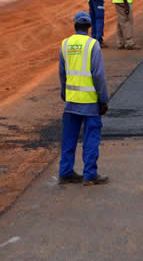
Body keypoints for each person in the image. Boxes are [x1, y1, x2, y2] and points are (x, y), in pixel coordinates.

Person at [58, 11, 109, 185]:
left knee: (69, 138)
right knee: (90, 139)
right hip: (89, 102)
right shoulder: (93, 45)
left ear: (75, 25)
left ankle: (65, 172)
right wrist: (103, 99)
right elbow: (98, 75)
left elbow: (62, 73)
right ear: (89, 27)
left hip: (71, 101)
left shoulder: (65, 44)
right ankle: (90, 175)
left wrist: (65, 94)